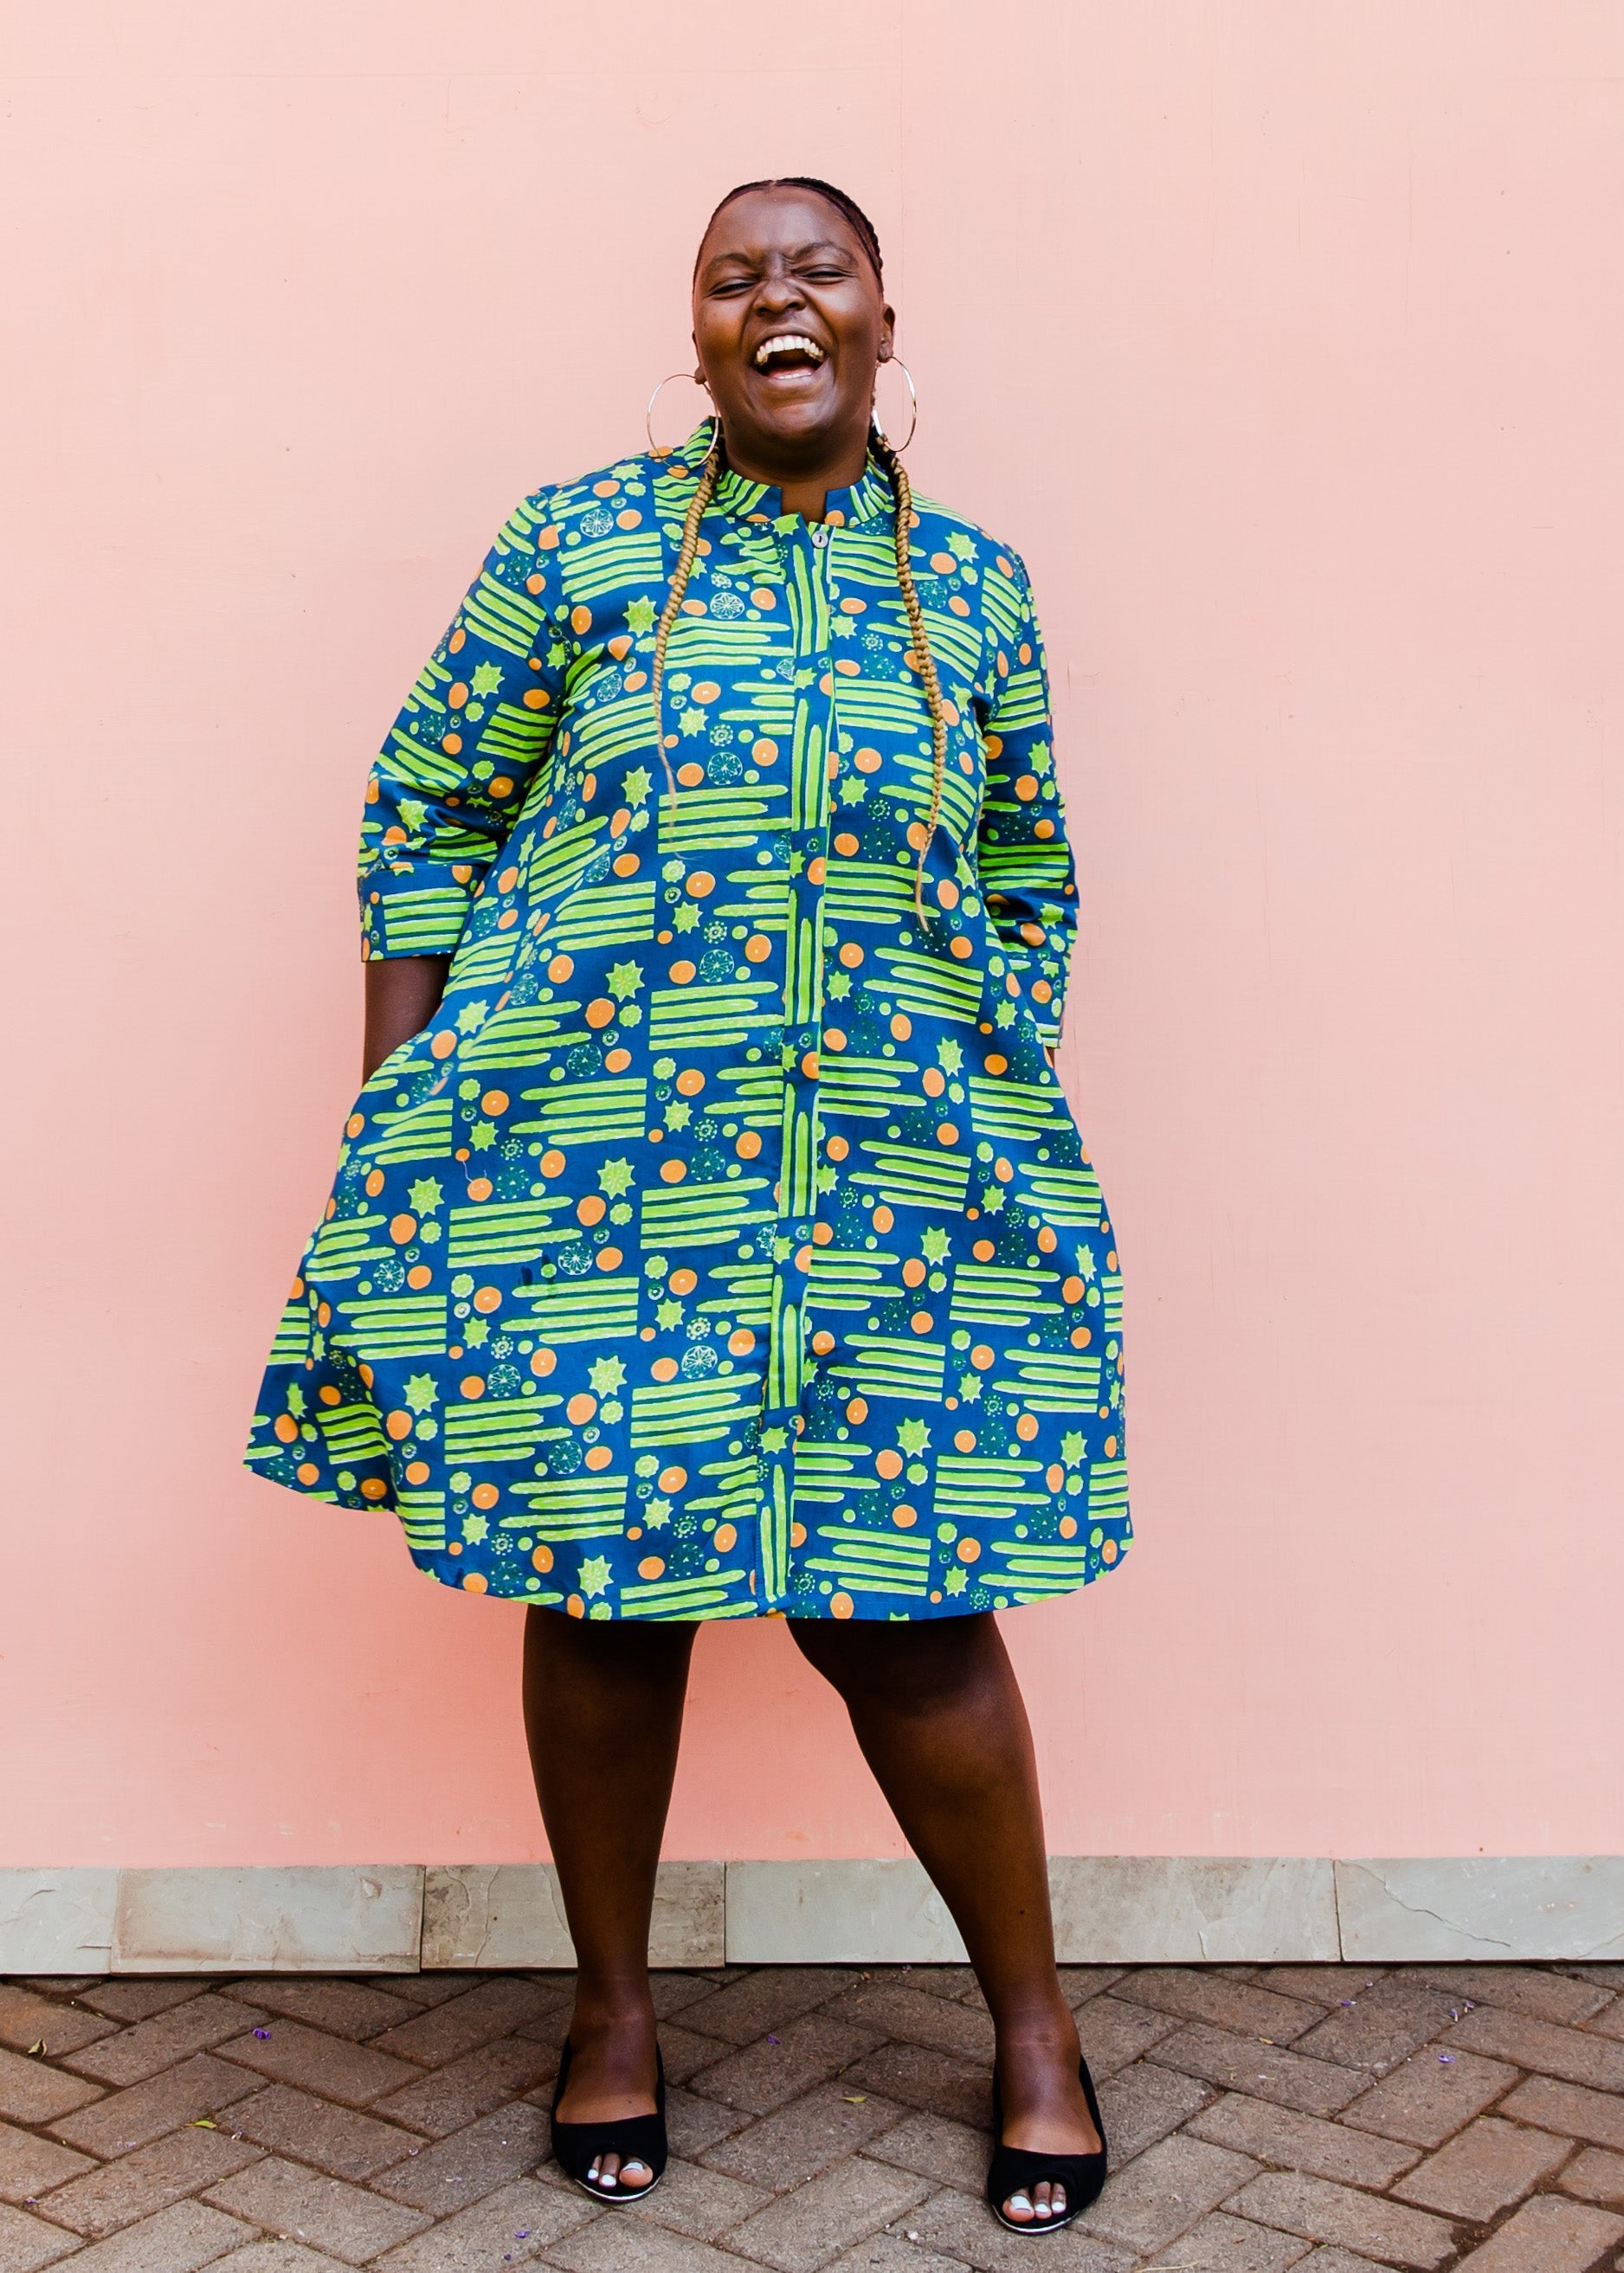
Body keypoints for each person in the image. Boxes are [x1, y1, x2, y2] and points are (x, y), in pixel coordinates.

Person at [248, 176, 1130, 2233]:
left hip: (891, 1183)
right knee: (604, 1587)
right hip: (584, 1176)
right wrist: (400, 1109)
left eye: (814, 268)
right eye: (734, 278)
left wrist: (990, 1084)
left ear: (886, 319)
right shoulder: (575, 544)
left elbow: (1024, 869)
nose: (775, 299)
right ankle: (615, 2008)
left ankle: (1031, 2027)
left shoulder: (973, 588)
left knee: (908, 1611)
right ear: (703, 338)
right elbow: (427, 811)